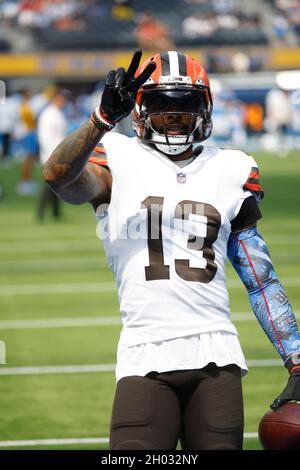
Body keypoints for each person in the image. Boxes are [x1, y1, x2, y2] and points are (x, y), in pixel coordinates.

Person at [43, 51, 300, 450]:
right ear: (141, 110)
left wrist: (296, 358)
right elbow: (58, 177)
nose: (175, 114)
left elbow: (260, 279)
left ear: (206, 107)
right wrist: (100, 119)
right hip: (144, 354)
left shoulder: (231, 168)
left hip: (217, 356)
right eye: (162, 104)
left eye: (186, 104)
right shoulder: (117, 156)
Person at [37, 89, 69, 220]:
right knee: (51, 183)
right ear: (56, 99)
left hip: (57, 152)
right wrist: (53, 155)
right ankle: (41, 211)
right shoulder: (48, 114)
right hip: (51, 153)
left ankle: (55, 212)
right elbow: (45, 137)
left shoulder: (56, 113)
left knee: (57, 183)